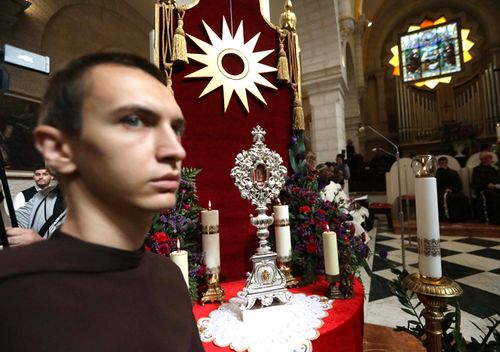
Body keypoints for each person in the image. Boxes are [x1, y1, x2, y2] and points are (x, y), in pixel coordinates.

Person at [0, 52, 203, 351]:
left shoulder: (169, 278)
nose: (175, 150)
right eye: (134, 120)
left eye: (176, 129)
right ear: (59, 149)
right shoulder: (10, 289)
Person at [435, 156, 470, 222]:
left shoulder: (453, 172)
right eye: (442, 163)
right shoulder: (437, 174)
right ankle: (450, 217)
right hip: (442, 191)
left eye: (445, 162)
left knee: (463, 198)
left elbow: (459, 184)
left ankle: (463, 217)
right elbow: (437, 185)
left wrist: (452, 189)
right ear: (439, 164)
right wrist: (445, 189)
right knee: (449, 198)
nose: (444, 164)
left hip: (454, 190)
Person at [471, 151, 500, 224]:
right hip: (484, 189)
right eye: (482, 159)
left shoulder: (493, 169)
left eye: (486, 158)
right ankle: (495, 219)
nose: (484, 160)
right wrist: (487, 185)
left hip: (496, 188)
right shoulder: (477, 169)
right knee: (495, 196)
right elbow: (476, 182)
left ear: (490, 158)